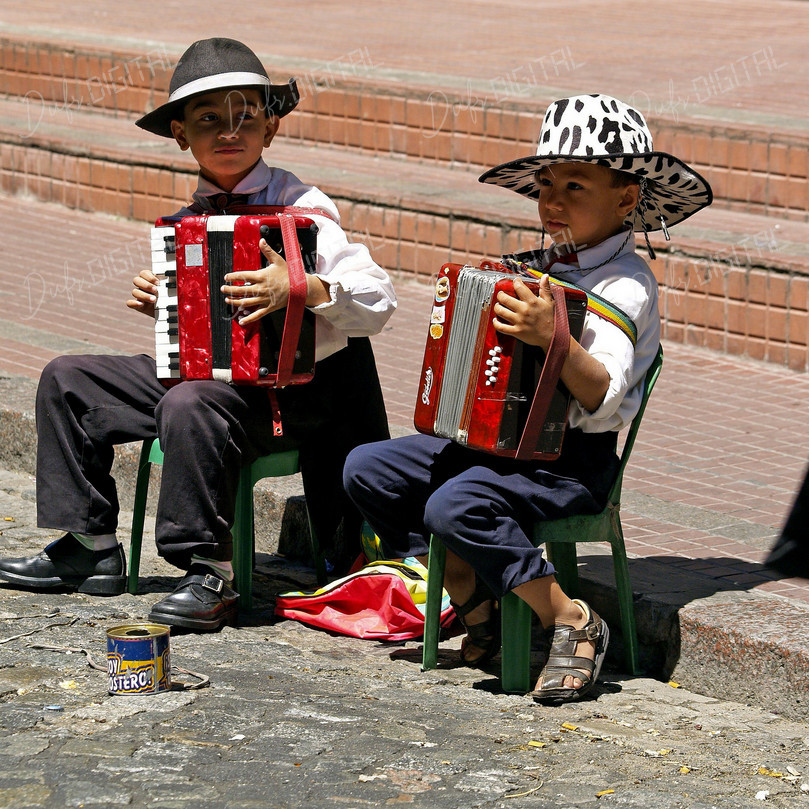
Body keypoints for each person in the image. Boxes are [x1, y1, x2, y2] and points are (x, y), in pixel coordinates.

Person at [0, 38, 396, 631]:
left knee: (190, 399)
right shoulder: (190, 218)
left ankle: (209, 571)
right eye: (209, 119)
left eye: (244, 115)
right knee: (67, 378)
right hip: (213, 384)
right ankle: (90, 546)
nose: (228, 132)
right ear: (182, 135)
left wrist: (301, 287)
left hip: (292, 396)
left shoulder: (305, 208)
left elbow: (379, 301)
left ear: (271, 127)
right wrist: (165, 304)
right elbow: (198, 332)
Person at [343, 94, 712, 703]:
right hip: (502, 452)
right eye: (546, 184)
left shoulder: (626, 282)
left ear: (626, 198)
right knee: (368, 469)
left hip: (571, 464)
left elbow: (599, 393)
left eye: (575, 184)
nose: (553, 200)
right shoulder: (538, 267)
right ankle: (476, 601)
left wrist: (552, 336)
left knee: (454, 505)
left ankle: (568, 618)